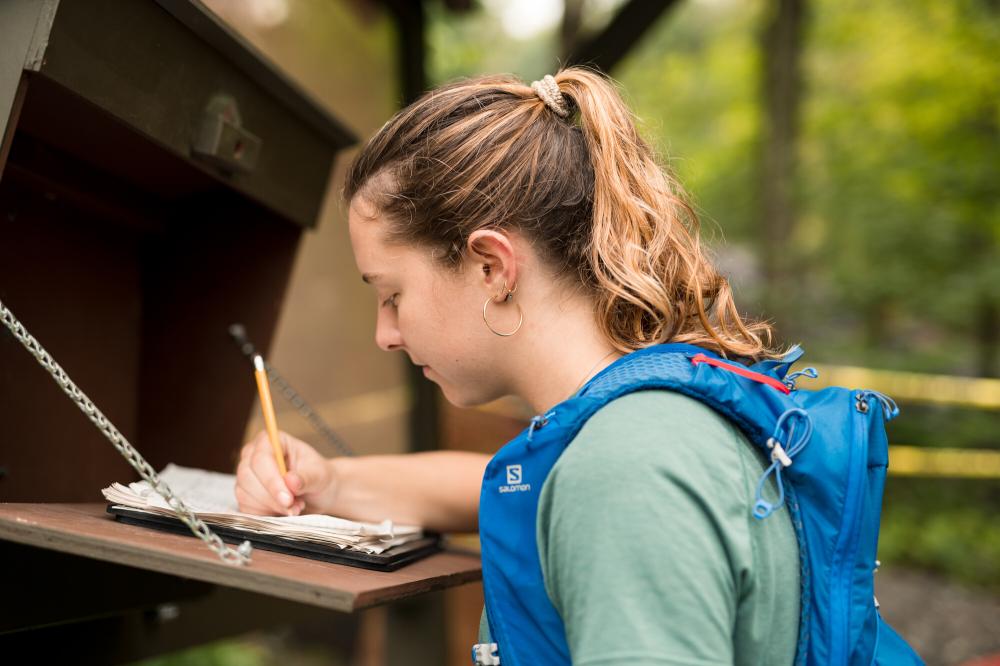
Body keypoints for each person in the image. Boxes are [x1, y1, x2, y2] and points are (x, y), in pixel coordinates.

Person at [236, 67, 799, 665]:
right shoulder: (634, 425)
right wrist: (329, 483)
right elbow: (493, 486)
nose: (385, 335)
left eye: (392, 294)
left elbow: (594, 488)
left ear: (492, 268)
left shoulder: (622, 472)